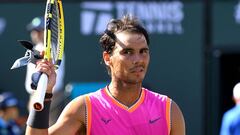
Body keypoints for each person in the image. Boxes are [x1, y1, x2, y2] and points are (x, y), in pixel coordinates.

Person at [25, 15, 185, 135]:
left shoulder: (169, 110)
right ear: (108, 58)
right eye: (127, 52)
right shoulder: (84, 109)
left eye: (143, 52)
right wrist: (44, 93)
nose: (138, 60)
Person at [25, 16, 65, 126]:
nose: (36, 34)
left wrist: (45, 93)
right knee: (33, 127)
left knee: (48, 126)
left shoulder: (55, 50)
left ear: (46, 32)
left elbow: (56, 79)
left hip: (50, 95)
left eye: (39, 31)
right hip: (34, 95)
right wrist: (33, 94)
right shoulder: (33, 50)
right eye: (34, 31)